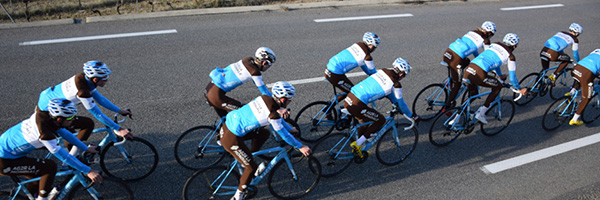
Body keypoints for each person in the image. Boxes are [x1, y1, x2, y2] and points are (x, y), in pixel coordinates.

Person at [219, 81, 310, 200]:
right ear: (283, 99)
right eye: (289, 100)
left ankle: (248, 156)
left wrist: (290, 128)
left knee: (264, 133)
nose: (289, 102)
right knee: (251, 168)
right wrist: (300, 146)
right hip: (231, 138)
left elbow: (276, 118)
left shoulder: (264, 98)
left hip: (227, 127)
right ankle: (238, 196)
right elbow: (283, 135)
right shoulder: (273, 114)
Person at [0, 98, 102, 200]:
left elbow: (65, 133)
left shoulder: (46, 116)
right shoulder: (45, 134)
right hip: (4, 162)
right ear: (59, 119)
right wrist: (88, 171)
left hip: (9, 152)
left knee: (37, 178)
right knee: (49, 167)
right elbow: (64, 157)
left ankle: (31, 197)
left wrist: (85, 148)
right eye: (70, 117)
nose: (74, 119)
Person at [36, 61, 132, 157]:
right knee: (87, 124)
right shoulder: (82, 92)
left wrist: (119, 110)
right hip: (50, 115)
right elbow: (97, 114)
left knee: (73, 135)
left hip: (48, 106)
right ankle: (70, 162)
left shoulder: (82, 78)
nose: (107, 80)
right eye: (105, 78)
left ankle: (75, 154)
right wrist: (118, 128)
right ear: (95, 79)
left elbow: (100, 99)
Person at [343, 57, 419, 157]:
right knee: (380, 120)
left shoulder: (383, 70)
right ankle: (357, 144)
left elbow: (391, 96)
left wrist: (394, 102)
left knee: (364, 121)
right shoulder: (396, 85)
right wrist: (411, 116)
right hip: (357, 104)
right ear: (401, 74)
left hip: (349, 97)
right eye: (404, 75)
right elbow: (400, 102)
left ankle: (359, 146)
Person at [463, 33, 527, 124]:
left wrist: (499, 75)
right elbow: (512, 78)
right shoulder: (510, 57)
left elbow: (496, 63)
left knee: (473, 94)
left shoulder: (495, 44)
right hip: (480, 73)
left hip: (469, 69)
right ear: (515, 46)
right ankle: (481, 114)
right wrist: (519, 88)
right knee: (498, 86)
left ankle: (456, 118)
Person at [205, 47, 276, 118]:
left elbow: (256, 82)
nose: (269, 67)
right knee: (247, 112)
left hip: (210, 88)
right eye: (269, 65)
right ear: (264, 62)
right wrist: (276, 103)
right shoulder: (254, 72)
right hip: (216, 96)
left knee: (226, 120)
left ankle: (222, 128)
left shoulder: (248, 59)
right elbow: (264, 92)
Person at [442, 21, 496, 110]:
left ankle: (451, 80)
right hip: (456, 59)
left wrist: (476, 59)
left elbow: (474, 49)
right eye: (492, 35)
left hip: (447, 53)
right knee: (457, 84)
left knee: (466, 61)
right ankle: (446, 107)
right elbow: (487, 55)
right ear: (489, 33)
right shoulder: (485, 40)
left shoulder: (472, 32)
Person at [325, 32, 380, 102]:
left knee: (347, 88)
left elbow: (363, 65)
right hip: (335, 74)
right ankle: (331, 108)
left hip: (329, 67)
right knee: (353, 93)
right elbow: (373, 72)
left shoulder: (357, 45)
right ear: (371, 46)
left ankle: (331, 107)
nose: (374, 49)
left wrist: (369, 73)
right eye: (374, 47)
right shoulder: (367, 56)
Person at [566, 49, 600, 125]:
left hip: (577, 68)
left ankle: (571, 92)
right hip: (586, 73)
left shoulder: (597, 50)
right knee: (587, 97)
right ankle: (575, 119)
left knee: (581, 80)